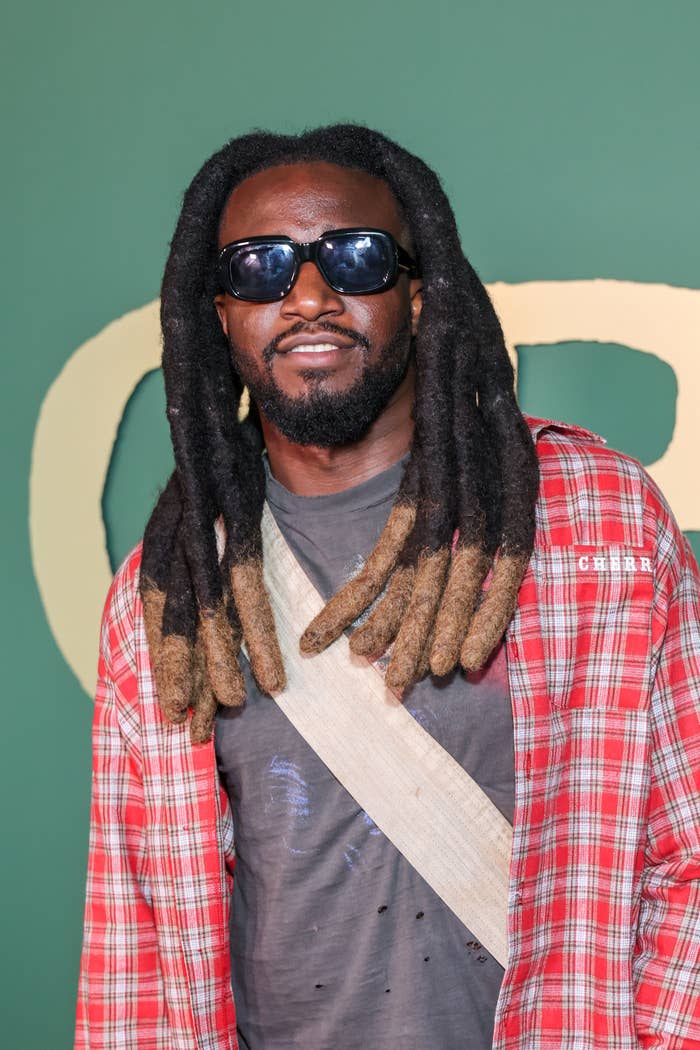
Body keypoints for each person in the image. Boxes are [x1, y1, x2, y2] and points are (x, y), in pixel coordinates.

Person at [75, 123, 700, 1049]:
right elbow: (134, 942)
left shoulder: (598, 524)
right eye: (260, 268)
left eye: (356, 257)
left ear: (418, 294)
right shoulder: (169, 594)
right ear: (216, 312)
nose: (310, 298)